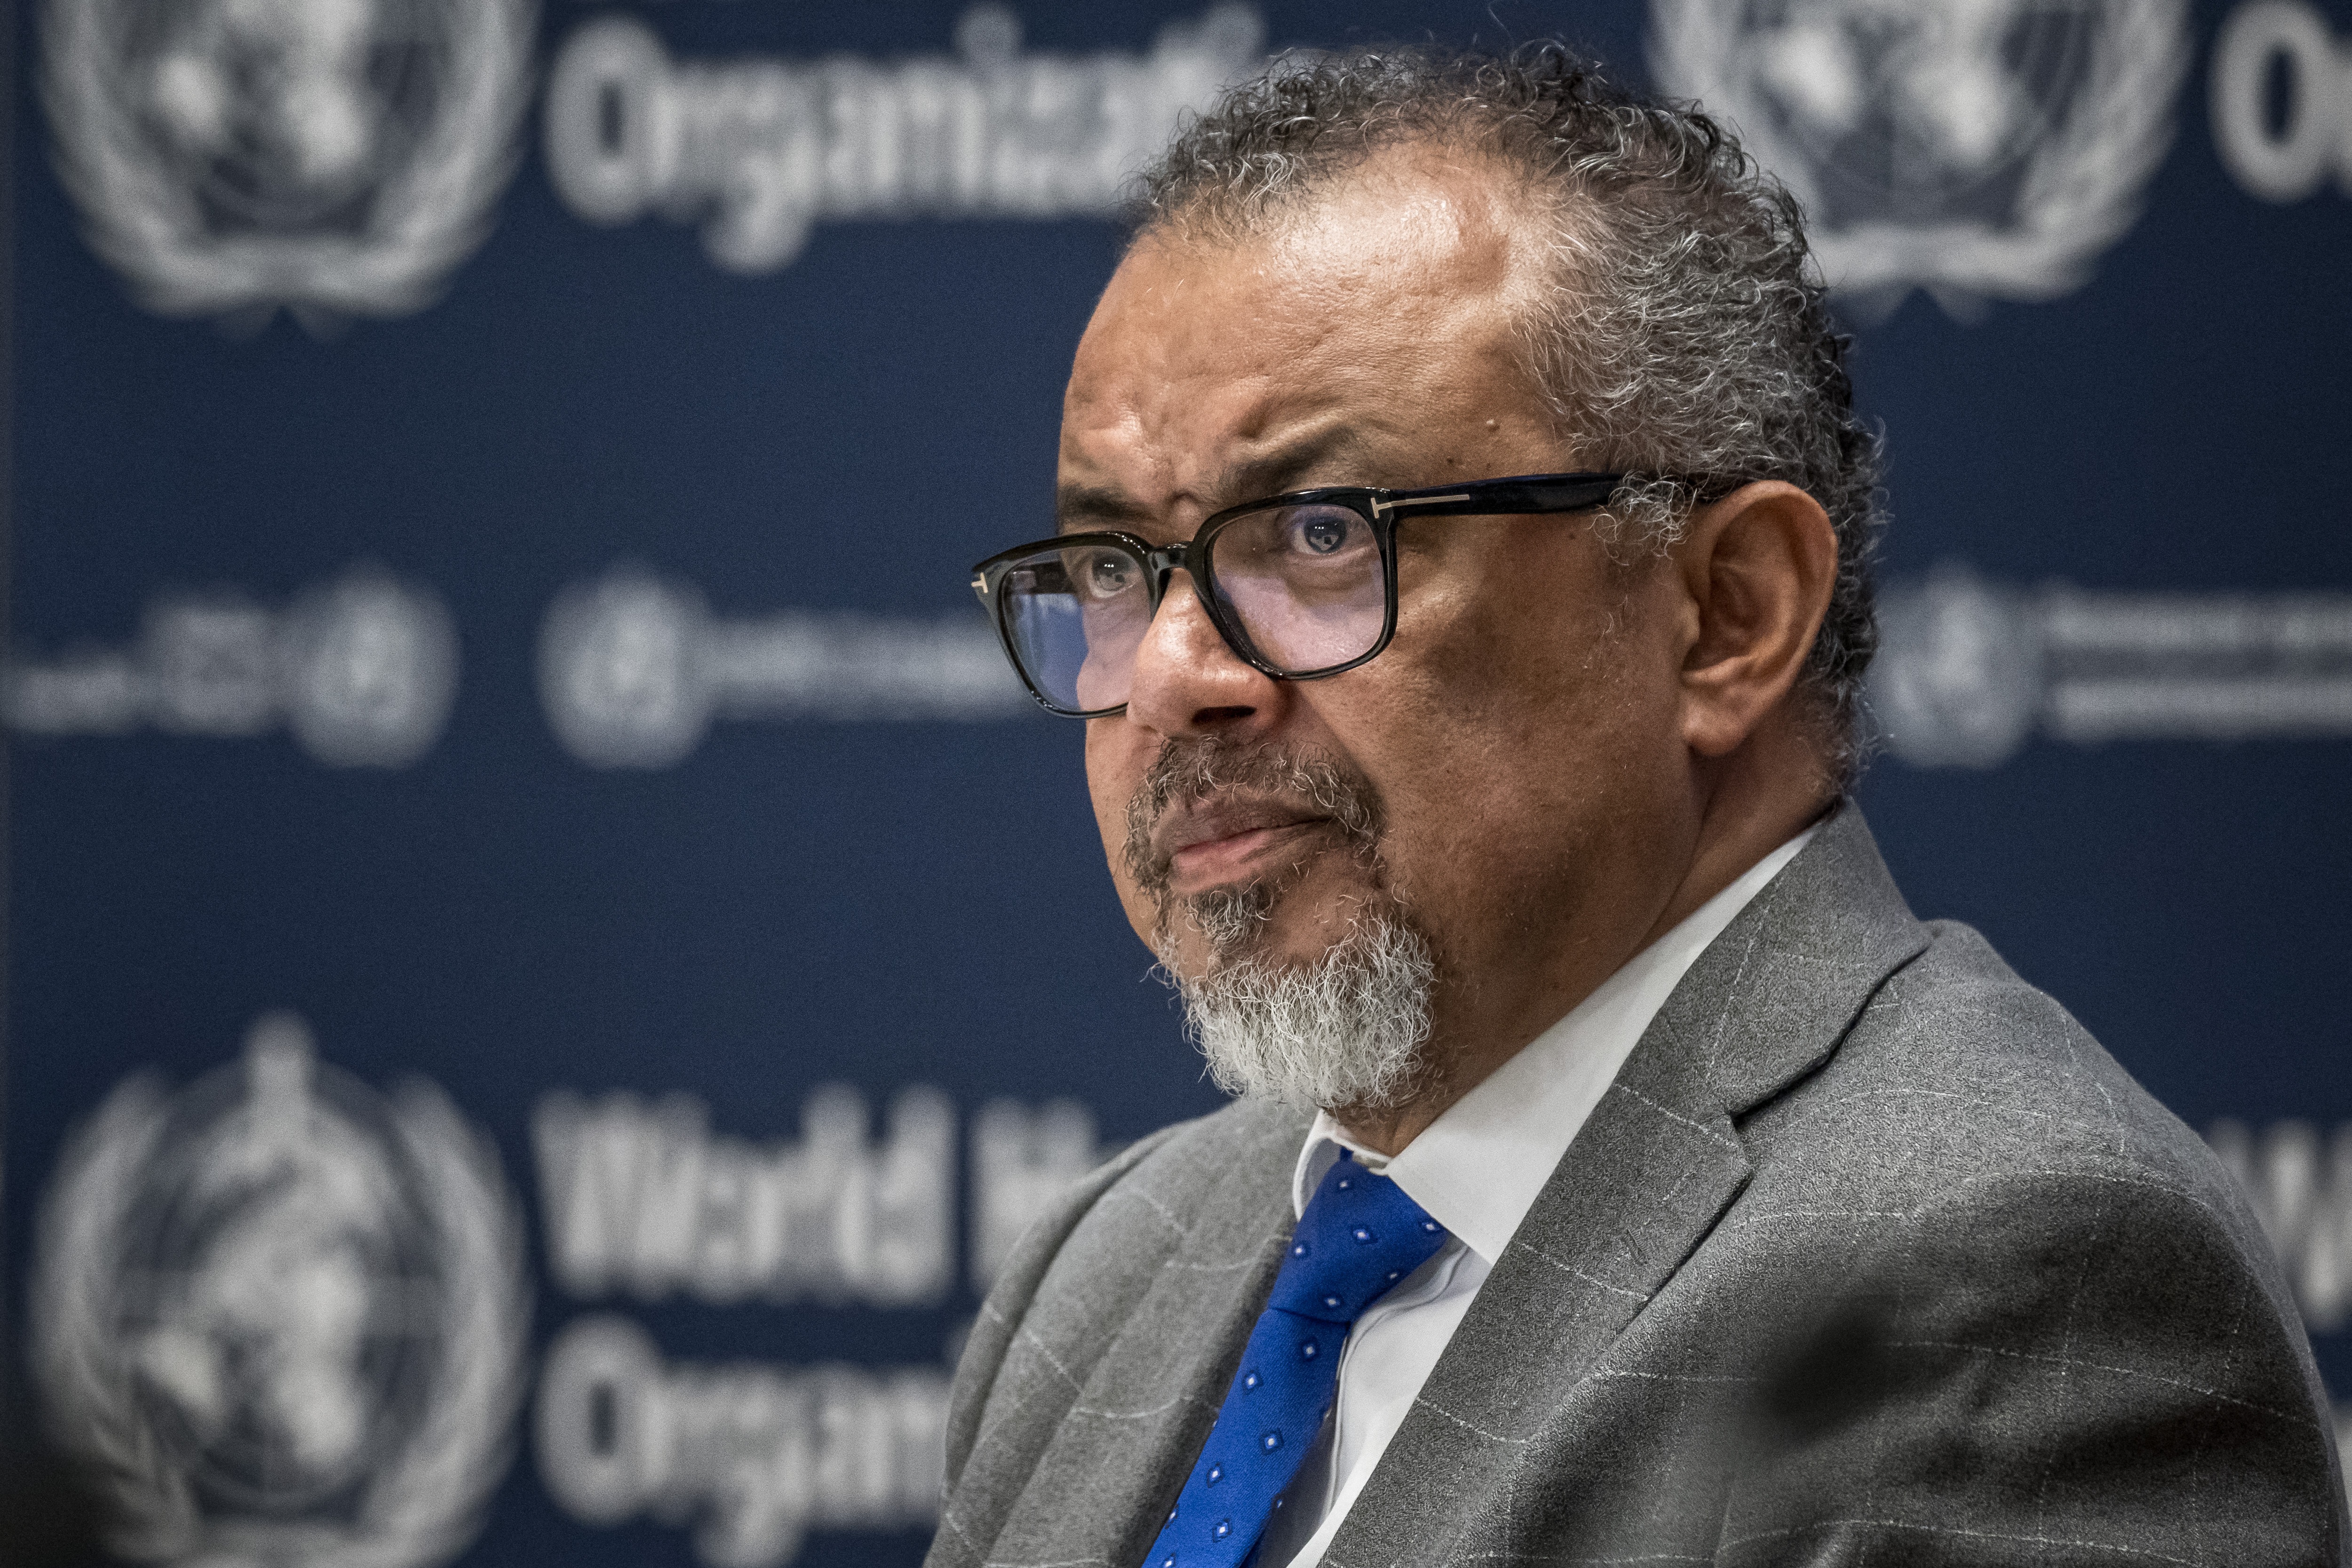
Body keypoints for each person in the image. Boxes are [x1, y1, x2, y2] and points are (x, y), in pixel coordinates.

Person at [932, 46, 2343, 1568]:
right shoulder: (1111, 1263)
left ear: (1726, 615)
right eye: (1109, 570)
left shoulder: (2000, 1280)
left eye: (1323, 533)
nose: (1172, 679)